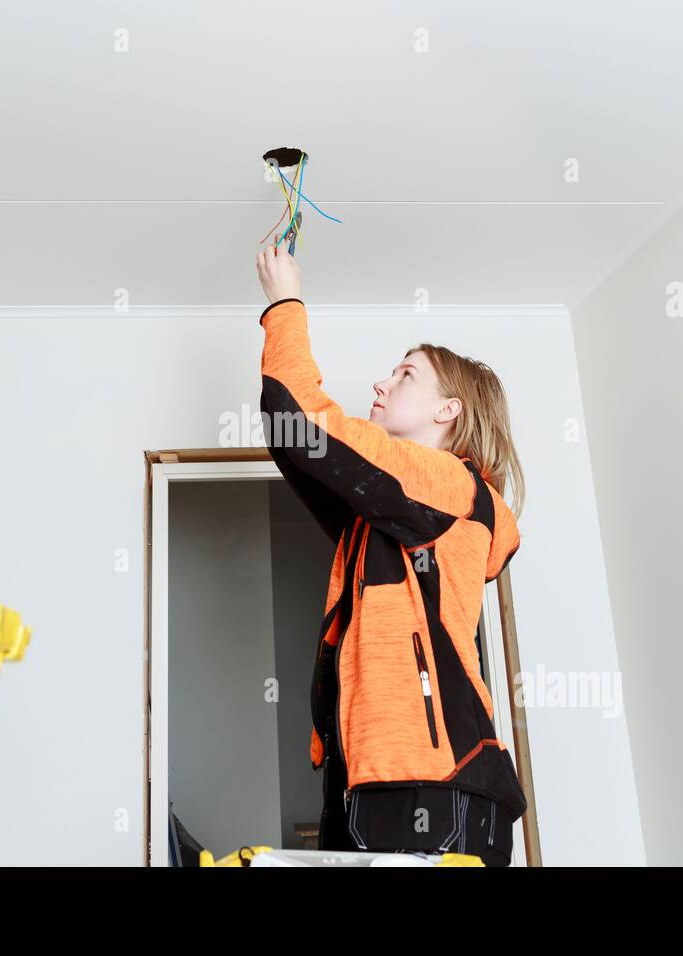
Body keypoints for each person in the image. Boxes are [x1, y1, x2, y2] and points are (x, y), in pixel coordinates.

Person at [255, 242, 528, 866]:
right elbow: (295, 440)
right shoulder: (388, 514)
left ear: (448, 410)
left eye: (405, 375)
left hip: (434, 784)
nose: (381, 382)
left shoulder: (448, 485)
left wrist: (284, 303)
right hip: (374, 780)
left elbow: (301, 422)